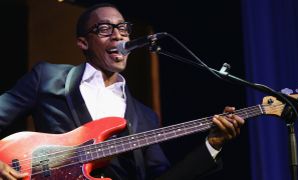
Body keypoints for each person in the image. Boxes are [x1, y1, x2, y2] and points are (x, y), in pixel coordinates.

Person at [0, 3, 244, 180]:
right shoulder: (48, 78)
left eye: (123, 29)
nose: (118, 35)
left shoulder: (145, 116)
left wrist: (212, 145)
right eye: (105, 29)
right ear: (83, 42)